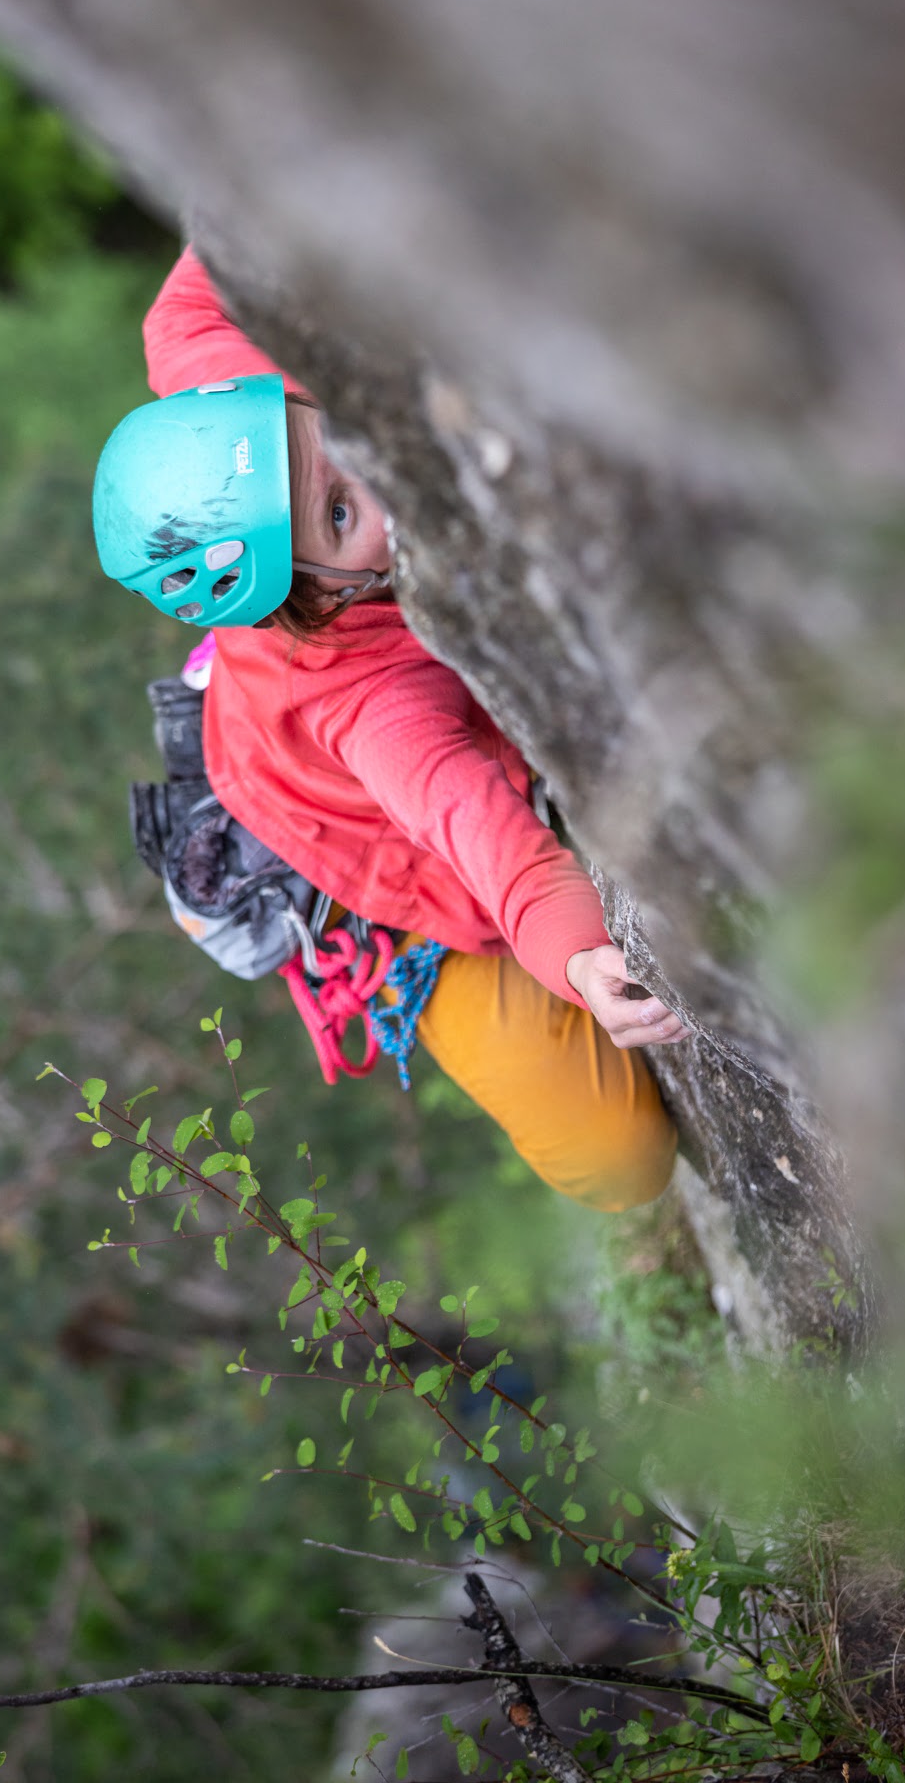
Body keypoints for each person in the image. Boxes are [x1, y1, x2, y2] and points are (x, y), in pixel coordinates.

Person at [93, 246, 688, 1214]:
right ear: (314, 600)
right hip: (385, 875)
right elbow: (476, 834)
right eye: (338, 514)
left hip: (267, 731)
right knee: (615, 1160)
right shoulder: (369, 703)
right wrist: (578, 953)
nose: (369, 483)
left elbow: (185, 302)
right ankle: (403, 974)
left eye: (332, 456)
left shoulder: (236, 402)